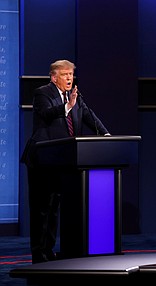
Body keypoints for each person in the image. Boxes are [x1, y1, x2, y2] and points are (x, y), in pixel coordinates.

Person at [21, 59, 110, 263]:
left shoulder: (75, 96)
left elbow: (88, 115)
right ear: (54, 77)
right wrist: (66, 106)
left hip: (62, 160)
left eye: (71, 74)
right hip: (42, 159)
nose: (69, 78)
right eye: (65, 74)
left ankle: (49, 250)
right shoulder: (43, 93)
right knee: (41, 209)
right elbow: (46, 114)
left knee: (54, 208)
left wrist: (105, 135)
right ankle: (38, 253)